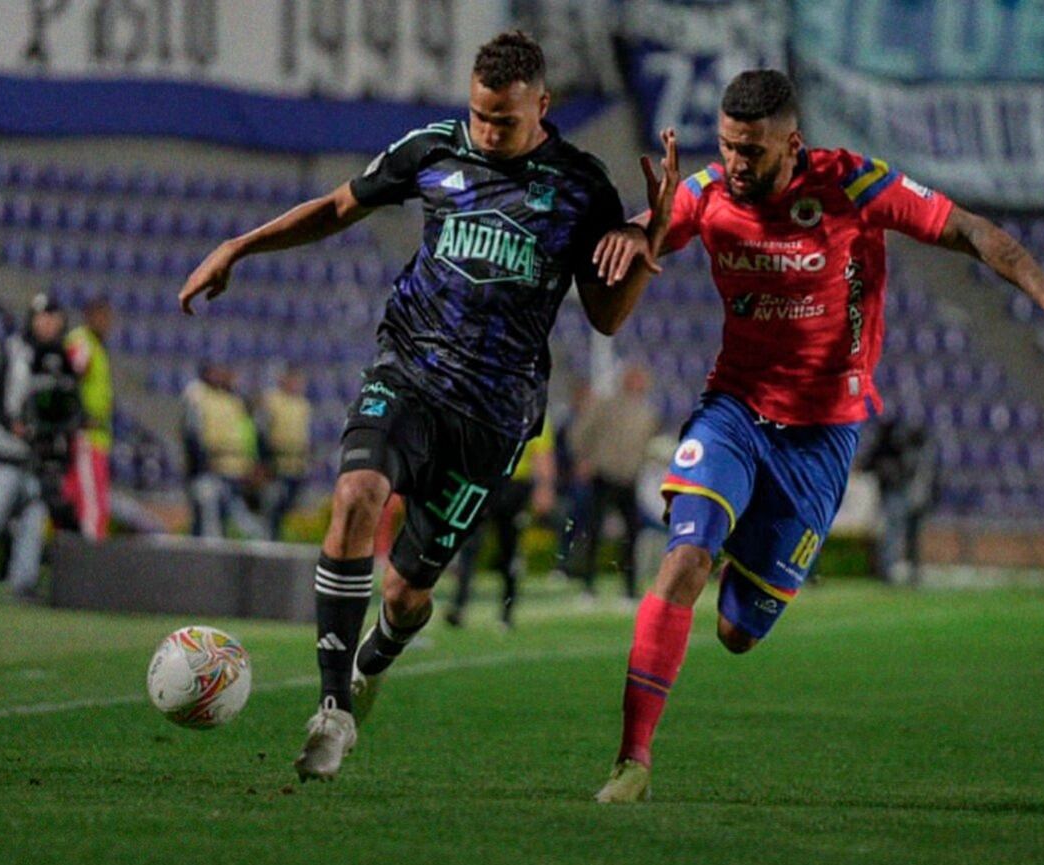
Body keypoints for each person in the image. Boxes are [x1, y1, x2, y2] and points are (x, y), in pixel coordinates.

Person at [589, 69, 1044, 802]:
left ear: (793, 144)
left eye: (752, 151)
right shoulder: (704, 192)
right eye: (726, 146)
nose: (736, 165)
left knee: (736, 634)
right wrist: (636, 228)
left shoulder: (850, 185)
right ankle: (632, 759)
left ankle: (742, 556)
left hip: (821, 438)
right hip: (734, 410)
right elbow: (612, 306)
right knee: (683, 556)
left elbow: (969, 230)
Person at [178, 30, 679, 782]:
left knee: (408, 593)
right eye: (478, 114)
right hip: (406, 371)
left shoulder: (581, 186)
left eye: (503, 120)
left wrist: (652, 235)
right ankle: (331, 709)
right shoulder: (434, 148)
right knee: (354, 495)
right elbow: (338, 206)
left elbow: (606, 315)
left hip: (492, 415)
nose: (486, 131)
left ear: (541, 106)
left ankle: (377, 655)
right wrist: (238, 247)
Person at [0, 294, 81, 599]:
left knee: (34, 520)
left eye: (53, 317)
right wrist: (11, 425)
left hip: (40, 457)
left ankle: (23, 584)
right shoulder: (13, 349)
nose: (48, 323)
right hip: (5, 453)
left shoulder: (61, 357)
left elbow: (71, 404)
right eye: (42, 316)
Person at [444, 419, 557, 629]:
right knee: (470, 545)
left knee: (509, 549)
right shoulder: (494, 400)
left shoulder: (532, 408)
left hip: (515, 484)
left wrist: (544, 487)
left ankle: (506, 609)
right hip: (486, 479)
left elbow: (542, 451)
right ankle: (459, 606)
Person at [569, 363, 660, 600]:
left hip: (629, 479)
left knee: (631, 534)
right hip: (604, 475)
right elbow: (580, 432)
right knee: (593, 532)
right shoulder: (607, 406)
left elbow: (649, 445)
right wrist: (584, 458)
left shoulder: (647, 413)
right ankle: (587, 585)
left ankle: (629, 587)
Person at [180, 363, 266, 539]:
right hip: (209, 470)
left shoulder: (235, 401)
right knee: (208, 525)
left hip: (235, 471)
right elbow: (192, 434)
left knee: (233, 523)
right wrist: (200, 466)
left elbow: (246, 434)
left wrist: (252, 462)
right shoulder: (197, 395)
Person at [861, 413, 936, 584]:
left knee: (901, 535)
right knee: (896, 534)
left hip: (905, 495)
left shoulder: (906, 451)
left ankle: (903, 570)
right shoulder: (903, 451)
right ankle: (891, 570)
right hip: (900, 495)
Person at [63, 295, 114, 541]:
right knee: (91, 506)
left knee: (89, 502)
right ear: (90, 316)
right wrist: (79, 417)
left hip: (97, 437)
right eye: (102, 317)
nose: (107, 323)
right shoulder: (82, 342)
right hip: (85, 437)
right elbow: (66, 380)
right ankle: (90, 563)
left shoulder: (96, 345)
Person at [256, 368, 312, 540]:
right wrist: (265, 462)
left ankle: (280, 539)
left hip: (297, 466)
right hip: (276, 465)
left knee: (289, 508)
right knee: (273, 505)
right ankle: (270, 539)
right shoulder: (271, 401)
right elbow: (262, 432)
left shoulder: (303, 405)